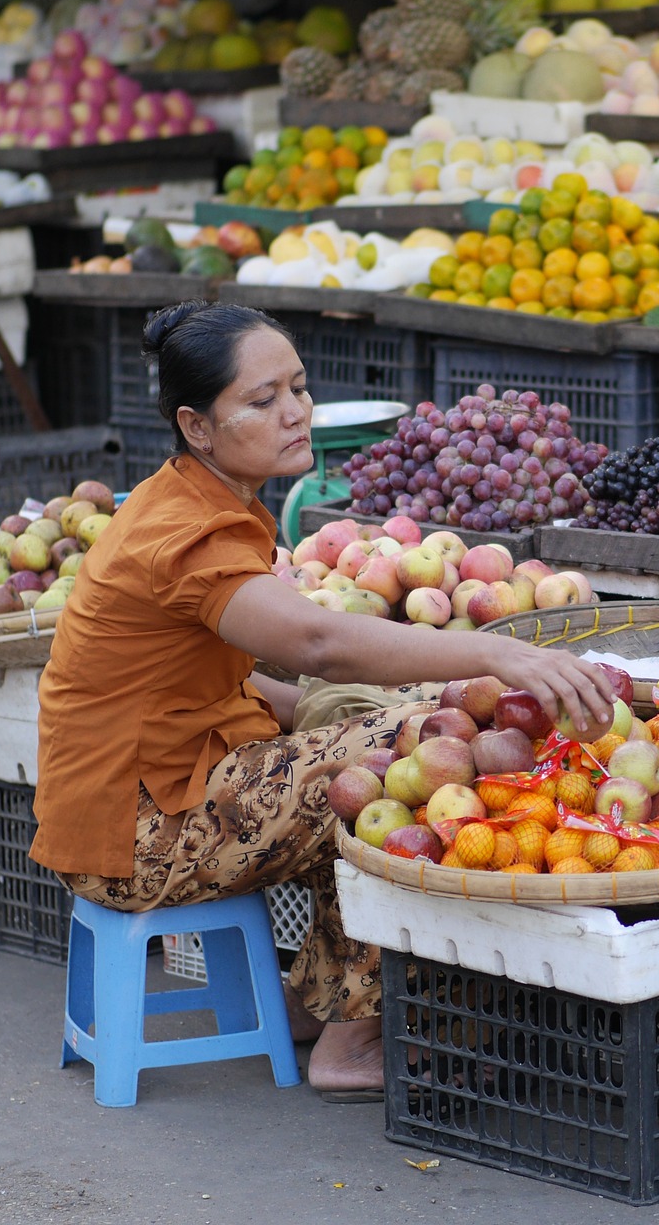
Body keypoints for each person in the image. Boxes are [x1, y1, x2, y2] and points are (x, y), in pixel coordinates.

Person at [30, 300, 615, 1102]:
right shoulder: (189, 533)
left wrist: (346, 708)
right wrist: (494, 651)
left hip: (152, 797)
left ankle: (319, 1003)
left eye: (298, 387)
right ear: (198, 427)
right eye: (263, 399)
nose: (295, 411)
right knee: (401, 755)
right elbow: (314, 644)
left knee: (396, 721)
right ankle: (349, 1042)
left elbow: (214, 682)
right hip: (137, 838)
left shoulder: (200, 498)